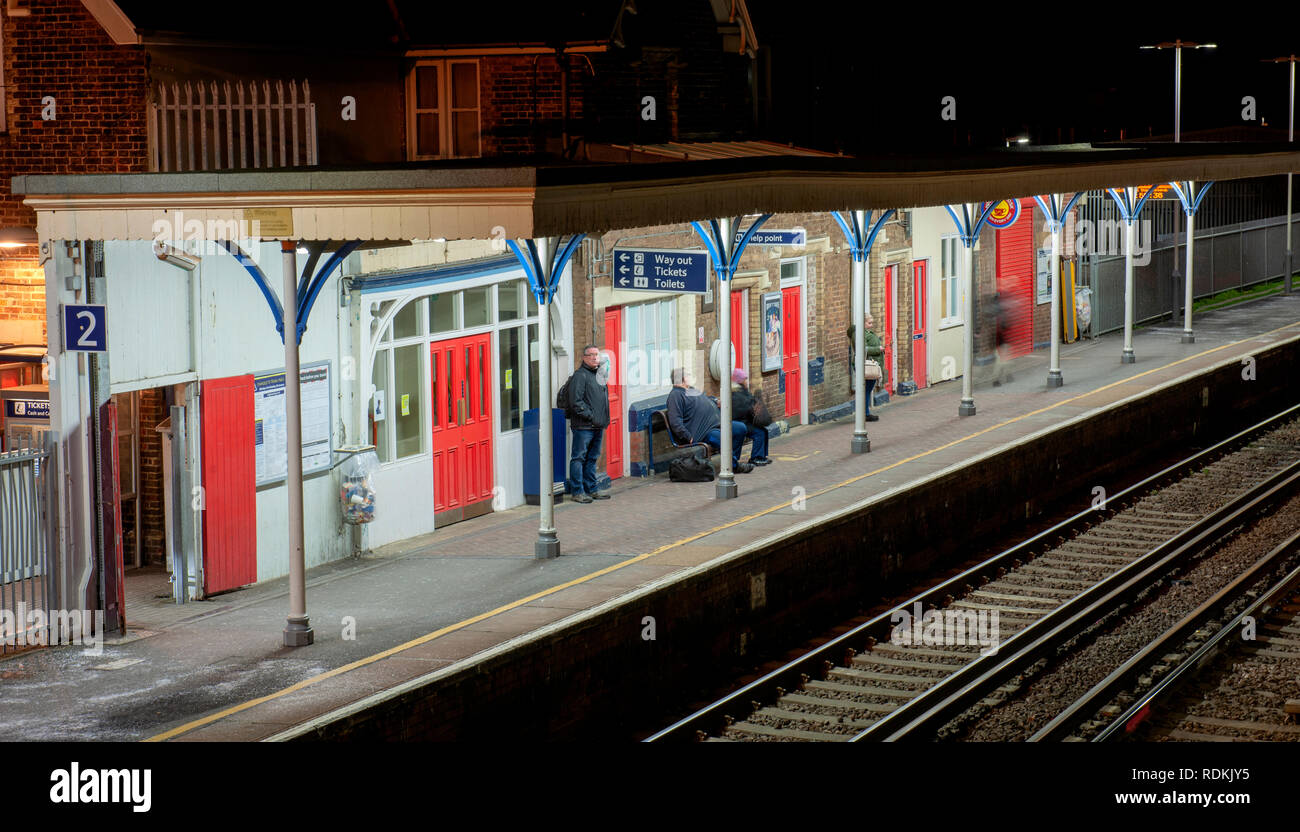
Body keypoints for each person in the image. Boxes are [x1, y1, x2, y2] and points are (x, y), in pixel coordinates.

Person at [666, 368, 752, 473]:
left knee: (740, 428)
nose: (690, 377)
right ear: (681, 379)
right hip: (704, 432)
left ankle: (733, 462)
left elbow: (705, 399)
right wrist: (688, 436)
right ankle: (734, 466)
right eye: (688, 375)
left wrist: (715, 401)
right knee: (723, 438)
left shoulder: (691, 390)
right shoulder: (676, 395)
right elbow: (675, 421)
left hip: (716, 424)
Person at [567, 344, 611, 503]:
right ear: (584, 358)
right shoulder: (580, 376)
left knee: (592, 458)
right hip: (584, 426)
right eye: (591, 355)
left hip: (597, 425)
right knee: (578, 458)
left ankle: (592, 489)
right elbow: (575, 402)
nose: (594, 358)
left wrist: (602, 419)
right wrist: (591, 417)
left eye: (596, 355)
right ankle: (577, 491)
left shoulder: (599, 375)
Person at [847, 313, 884, 421]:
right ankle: (864, 414)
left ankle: (865, 412)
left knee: (867, 389)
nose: (871, 325)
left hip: (870, 363)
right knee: (865, 390)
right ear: (862, 323)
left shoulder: (864, 332)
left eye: (872, 322)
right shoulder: (858, 333)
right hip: (866, 365)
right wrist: (878, 349)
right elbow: (862, 349)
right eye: (869, 323)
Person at [730, 368, 771, 465]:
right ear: (740, 380)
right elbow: (744, 409)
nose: (746, 381)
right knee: (759, 433)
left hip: (745, 421)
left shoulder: (742, 391)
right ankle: (756, 457)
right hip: (740, 423)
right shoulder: (736, 394)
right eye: (745, 379)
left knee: (764, 430)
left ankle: (762, 455)